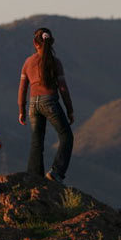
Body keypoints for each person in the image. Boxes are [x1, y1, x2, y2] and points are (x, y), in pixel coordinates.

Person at [17, 27, 75, 183]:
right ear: (52, 42)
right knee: (66, 137)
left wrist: (21, 109)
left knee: (37, 141)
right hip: (49, 102)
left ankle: (34, 177)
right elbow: (63, 88)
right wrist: (70, 110)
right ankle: (56, 173)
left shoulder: (28, 62)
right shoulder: (55, 62)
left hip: (33, 105)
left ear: (35, 43)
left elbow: (22, 88)